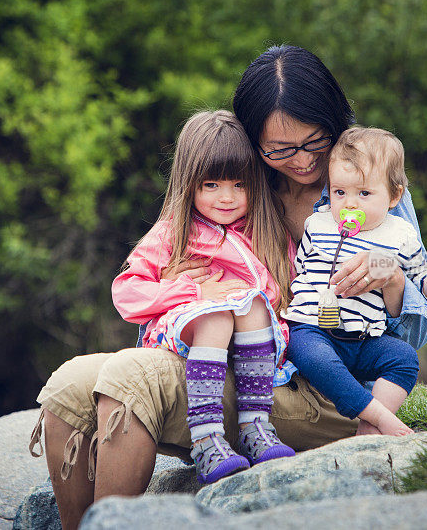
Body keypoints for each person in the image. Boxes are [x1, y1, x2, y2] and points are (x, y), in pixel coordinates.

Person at [29, 45, 427, 530]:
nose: (302, 161)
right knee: (69, 386)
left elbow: (418, 325)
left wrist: (392, 279)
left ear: (335, 122)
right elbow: (163, 263)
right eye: (279, 149)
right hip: (240, 362)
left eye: (314, 142)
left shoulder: (367, 180)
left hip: (324, 379)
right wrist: (188, 288)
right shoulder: (239, 184)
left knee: (134, 377)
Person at [111, 110, 296, 483]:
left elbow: (292, 284)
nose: (226, 198)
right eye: (211, 184)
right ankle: (207, 438)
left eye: (239, 185)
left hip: (253, 343)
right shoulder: (173, 233)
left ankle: (255, 428)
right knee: (217, 314)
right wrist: (193, 291)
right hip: (187, 334)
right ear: (189, 184)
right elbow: (126, 292)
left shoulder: (265, 230)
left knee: (252, 304)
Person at [283, 127, 427, 437]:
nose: (349, 204)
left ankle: (366, 428)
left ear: (394, 196)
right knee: (312, 354)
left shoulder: (400, 236)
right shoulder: (318, 223)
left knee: (404, 359)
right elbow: (299, 271)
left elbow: (421, 290)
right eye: (340, 192)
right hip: (313, 328)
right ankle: (378, 417)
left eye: (364, 193)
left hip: (364, 337)